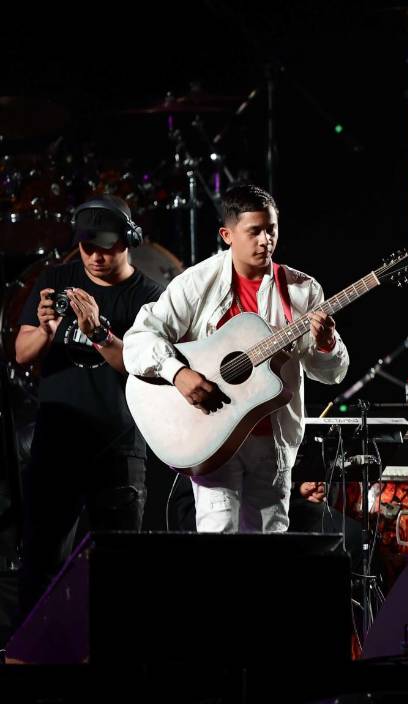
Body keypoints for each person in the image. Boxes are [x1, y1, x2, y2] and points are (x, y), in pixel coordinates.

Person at [123, 184, 349, 533]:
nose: (265, 240)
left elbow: (331, 374)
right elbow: (138, 340)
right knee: (219, 537)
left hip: (273, 440)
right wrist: (177, 372)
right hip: (213, 435)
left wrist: (325, 343)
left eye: (271, 229)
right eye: (254, 231)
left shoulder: (302, 290)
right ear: (227, 234)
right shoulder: (197, 282)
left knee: (269, 545)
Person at [13, 195, 164, 617]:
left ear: (129, 241)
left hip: (117, 446)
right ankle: (33, 668)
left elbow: (146, 370)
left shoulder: (151, 298)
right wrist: (44, 330)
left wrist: (98, 331)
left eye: (107, 246)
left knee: (116, 570)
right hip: (56, 443)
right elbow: (22, 352)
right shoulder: (58, 279)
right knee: (40, 564)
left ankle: (112, 669)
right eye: (87, 247)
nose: (96, 257)